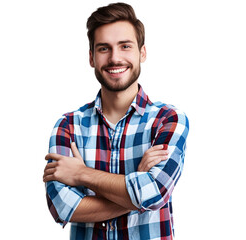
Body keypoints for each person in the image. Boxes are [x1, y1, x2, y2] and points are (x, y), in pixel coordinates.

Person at [43, 2, 189, 239]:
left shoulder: (168, 120)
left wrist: (81, 174)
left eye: (125, 46)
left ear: (142, 52)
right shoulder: (68, 125)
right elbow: (62, 207)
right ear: (91, 57)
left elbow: (155, 192)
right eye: (103, 49)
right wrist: (137, 185)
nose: (115, 58)